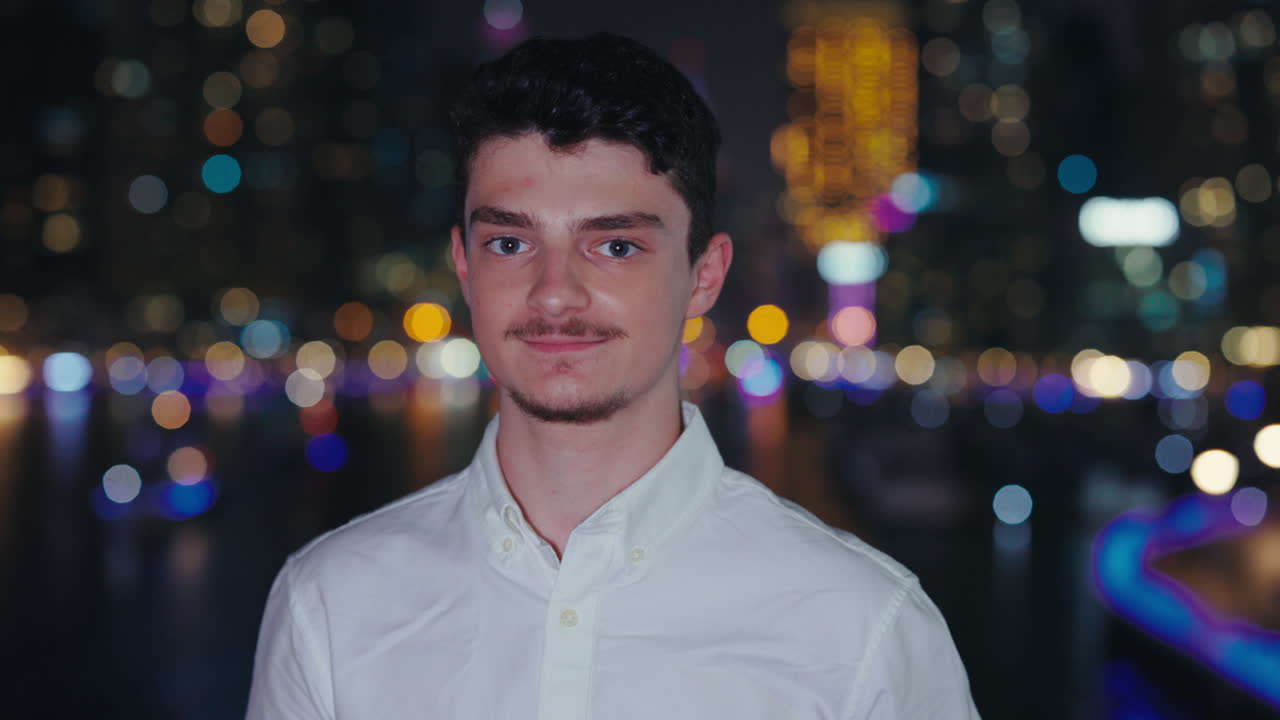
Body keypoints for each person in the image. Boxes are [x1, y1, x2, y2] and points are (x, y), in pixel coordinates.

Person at [246, 32, 980, 719]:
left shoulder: (863, 630)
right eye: (509, 241)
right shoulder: (329, 607)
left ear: (704, 275)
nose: (554, 292)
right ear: (464, 266)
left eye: (616, 247)